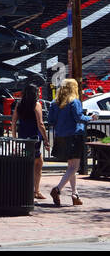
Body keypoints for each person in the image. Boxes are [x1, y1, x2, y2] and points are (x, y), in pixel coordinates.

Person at [49, 78, 92, 207]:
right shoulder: (75, 102)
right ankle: (57, 189)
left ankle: (75, 194)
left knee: (70, 167)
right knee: (75, 167)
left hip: (61, 136)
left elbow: (51, 120)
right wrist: (91, 117)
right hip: (74, 135)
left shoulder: (54, 103)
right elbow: (79, 117)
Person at [10, 83, 49, 198]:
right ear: (35, 93)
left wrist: (14, 138)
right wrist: (46, 140)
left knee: (27, 162)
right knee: (38, 163)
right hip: (34, 138)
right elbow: (40, 124)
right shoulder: (36, 105)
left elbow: (13, 122)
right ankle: (35, 191)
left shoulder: (19, 104)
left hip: (22, 137)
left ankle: (30, 190)